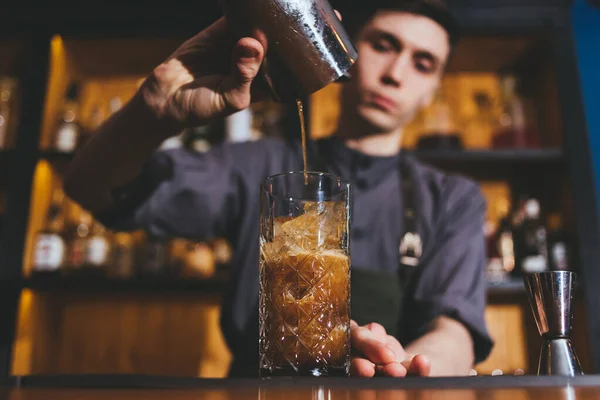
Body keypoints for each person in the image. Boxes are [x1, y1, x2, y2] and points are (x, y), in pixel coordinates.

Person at [64, 0, 493, 378]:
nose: (395, 74)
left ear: (432, 90)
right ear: (349, 51)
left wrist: (397, 368)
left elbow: (454, 330)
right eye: (383, 45)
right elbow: (91, 188)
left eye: (422, 63)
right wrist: (153, 112)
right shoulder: (259, 165)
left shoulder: (451, 199)